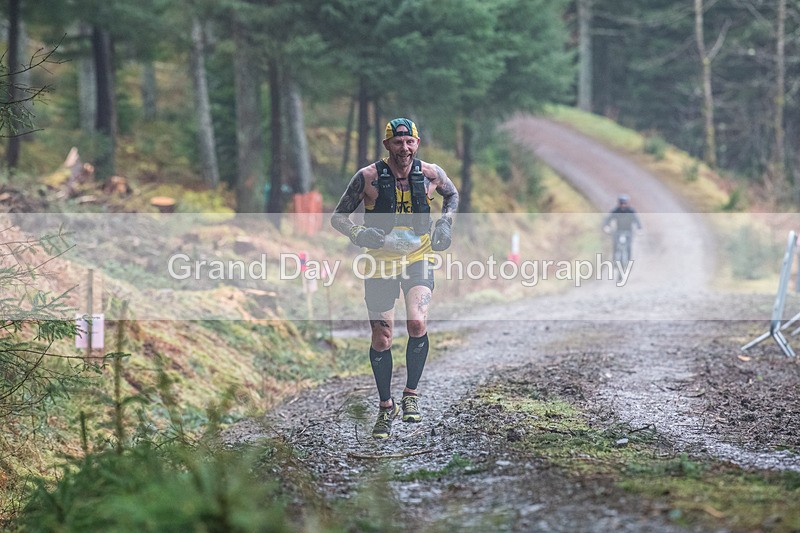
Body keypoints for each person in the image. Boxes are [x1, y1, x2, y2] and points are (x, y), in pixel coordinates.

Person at [331, 117, 459, 439]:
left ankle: (411, 396)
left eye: (410, 142)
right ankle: (386, 407)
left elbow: (453, 196)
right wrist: (361, 233)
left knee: (417, 323)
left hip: (419, 257)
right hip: (379, 264)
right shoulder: (368, 177)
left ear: (417, 143)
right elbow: (338, 217)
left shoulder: (430, 173)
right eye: (398, 142)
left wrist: (445, 224)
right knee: (382, 339)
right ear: (387, 145)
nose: (404, 148)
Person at [602, 194, 642, 260]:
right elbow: (608, 218)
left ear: (627, 203)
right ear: (619, 203)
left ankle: (628, 262)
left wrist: (639, 228)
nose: (623, 205)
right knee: (615, 245)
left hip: (628, 231)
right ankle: (614, 262)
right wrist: (606, 226)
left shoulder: (631, 211)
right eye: (621, 203)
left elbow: (636, 220)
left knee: (628, 247)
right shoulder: (616, 210)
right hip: (618, 231)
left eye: (625, 203)